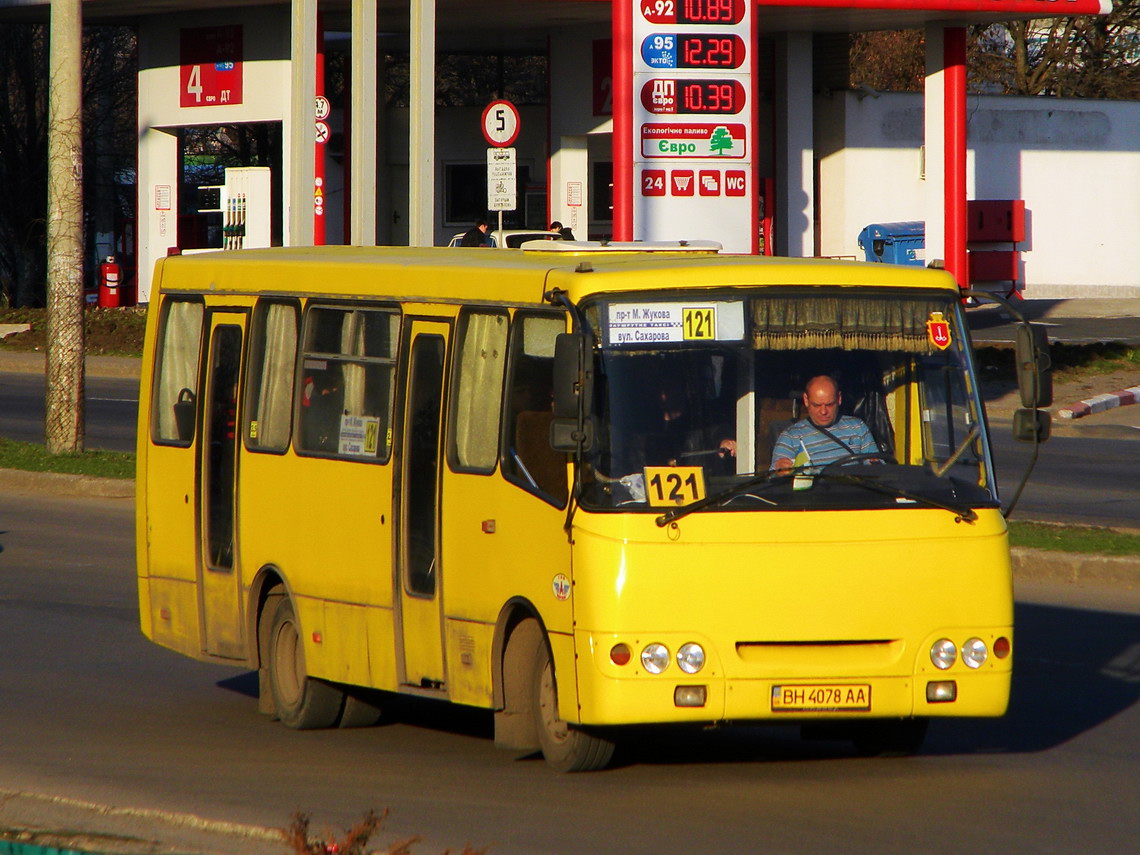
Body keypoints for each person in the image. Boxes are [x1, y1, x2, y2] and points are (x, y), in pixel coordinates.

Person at [770, 374, 878, 473]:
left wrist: (876, 463)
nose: (823, 412)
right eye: (816, 405)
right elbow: (773, 481)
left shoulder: (858, 428)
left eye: (829, 404)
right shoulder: (790, 437)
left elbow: (878, 470)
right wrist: (780, 471)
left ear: (839, 399)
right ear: (806, 400)